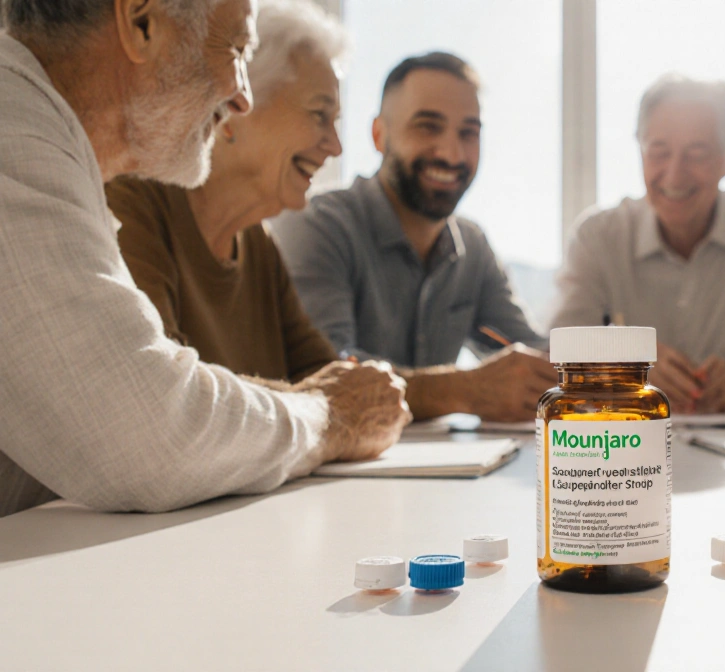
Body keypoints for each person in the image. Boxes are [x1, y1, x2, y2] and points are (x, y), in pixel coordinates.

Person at [0, 0, 409, 518]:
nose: (242, 97)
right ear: (142, 22)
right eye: (237, 49)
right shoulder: (13, 136)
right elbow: (146, 431)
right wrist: (330, 417)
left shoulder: (50, 149)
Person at [272, 52, 555, 423]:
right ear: (379, 135)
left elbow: (527, 354)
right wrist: (464, 390)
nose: (451, 153)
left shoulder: (473, 246)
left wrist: (616, 371)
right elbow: (321, 374)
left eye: (468, 133)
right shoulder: (318, 226)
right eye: (428, 126)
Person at [549, 74, 725, 414]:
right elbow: (555, 360)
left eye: (697, 154)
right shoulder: (597, 237)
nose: (674, 174)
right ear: (640, 150)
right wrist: (629, 373)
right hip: (624, 448)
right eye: (659, 151)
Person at [106, 0, 345, 384]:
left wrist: (456, 389)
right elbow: (163, 387)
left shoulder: (257, 242)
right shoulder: (134, 201)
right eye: (320, 114)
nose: (335, 147)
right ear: (237, 107)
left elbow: (327, 379)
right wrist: (326, 407)